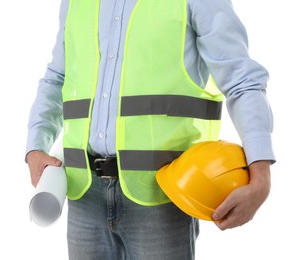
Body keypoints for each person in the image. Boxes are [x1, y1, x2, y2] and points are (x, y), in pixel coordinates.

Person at [25, 0, 275, 259]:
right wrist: (35, 146)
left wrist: (261, 175)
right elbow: (57, 78)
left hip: (162, 196)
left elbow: (242, 81)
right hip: (84, 193)